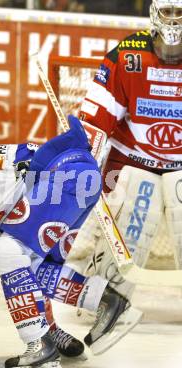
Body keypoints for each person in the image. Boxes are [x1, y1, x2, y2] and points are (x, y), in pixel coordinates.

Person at [0, 116, 143, 368]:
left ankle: (40, 344)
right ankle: (99, 303)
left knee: (5, 251)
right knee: (29, 266)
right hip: (78, 174)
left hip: (62, 176)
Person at [77, 0, 182, 304]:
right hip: (134, 163)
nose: (174, 21)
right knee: (137, 205)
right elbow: (95, 122)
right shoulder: (128, 55)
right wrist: (87, 166)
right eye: (168, 12)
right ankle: (106, 296)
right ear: (154, 13)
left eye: (180, 13)